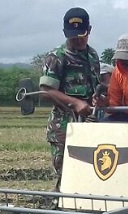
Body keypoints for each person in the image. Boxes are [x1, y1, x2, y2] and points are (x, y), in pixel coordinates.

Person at [39, 7, 101, 189]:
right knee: (65, 180)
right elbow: (45, 89)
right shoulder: (56, 56)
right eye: (72, 35)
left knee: (89, 178)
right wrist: (75, 103)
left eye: (81, 34)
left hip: (89, 125)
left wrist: (98, 99)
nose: (77, 39)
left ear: (89, 30)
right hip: (64, 128)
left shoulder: (93, 55)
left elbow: (95, 87)